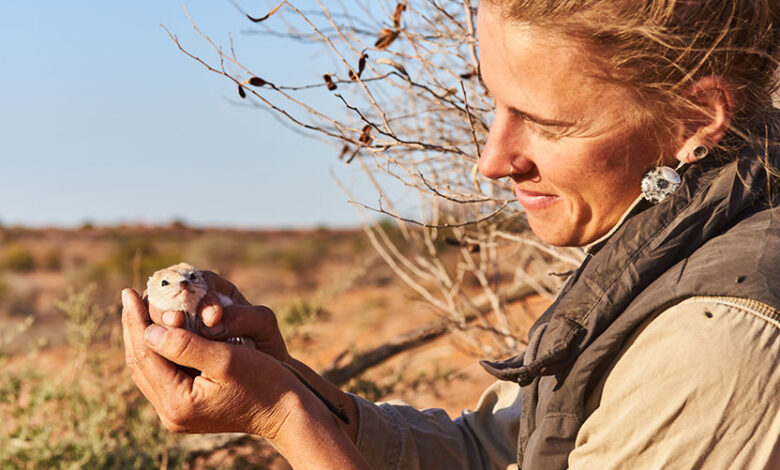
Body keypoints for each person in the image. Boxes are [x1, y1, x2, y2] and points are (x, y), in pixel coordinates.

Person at [121, 0, 780, 468]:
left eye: (546, 123)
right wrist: (293, 388)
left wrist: (283, 419)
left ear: (695, 118)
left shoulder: (717, 346)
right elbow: (495, 451)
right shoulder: (665, 234)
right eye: (495, 103)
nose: (492, 161)